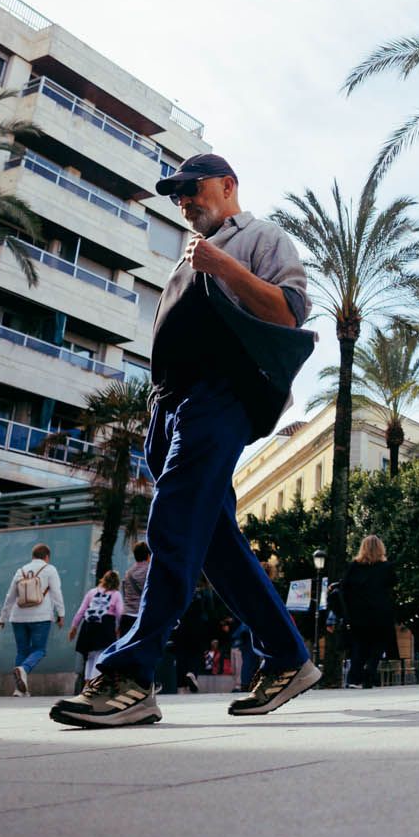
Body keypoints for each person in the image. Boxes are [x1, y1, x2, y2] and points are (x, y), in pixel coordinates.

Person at [54, 153, 318, 728]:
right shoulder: (190, 254)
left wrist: (223, 267)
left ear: (227, 184)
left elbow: (290, 312)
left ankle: (132, 673)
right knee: (216, 543)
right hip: (170, 409)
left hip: (220, 396)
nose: (184, 201)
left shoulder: (261, 237)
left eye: (191, 188)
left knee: (173, 522)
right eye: (176, 195)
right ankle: (288, 654)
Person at [0, 543, 66, 696]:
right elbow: (56, 593)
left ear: (33, 556)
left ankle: (19, 690)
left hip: (18, 617)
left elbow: (10, 596)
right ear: (47, 557)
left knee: (22, 651)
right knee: (39, 650)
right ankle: (23, 669)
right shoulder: (49, 569)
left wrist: (2, 618)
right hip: (41, 616)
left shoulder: (20, 571)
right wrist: (61, 614)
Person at [335, 534, 399, 687]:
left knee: (359, 646)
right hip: (380, 613)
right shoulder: (386, 567)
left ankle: (354, 679)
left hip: (358, 615)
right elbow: (393, 584)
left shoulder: (354, 567)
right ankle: (369, 672)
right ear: (380, 548)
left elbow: (344, 588)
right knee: (379, 644)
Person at [69, 571, 126, 682]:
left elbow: (81, 611)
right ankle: (95, 682)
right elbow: (120, 613)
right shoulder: (116, 594)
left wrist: (74, 627)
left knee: (90, 656)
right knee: (101, 655)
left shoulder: (92, 592)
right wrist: (120, 628)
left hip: (89, 625)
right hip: (105, 626)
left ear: (103, 580)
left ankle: (87, 682)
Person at [120, 540, 151, 617]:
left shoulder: (128, 573)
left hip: (126, 614)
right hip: (140, 616)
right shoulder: (149, 572)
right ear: (148, 555)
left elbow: (124, 594)